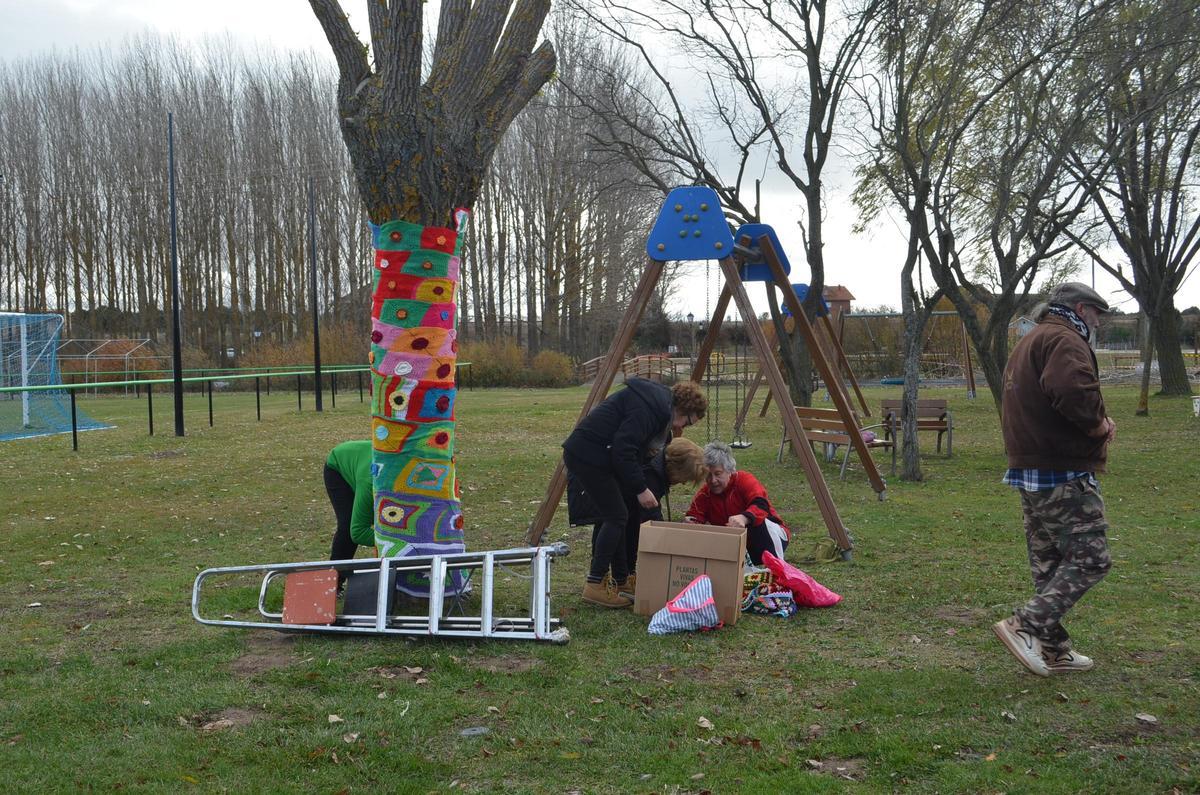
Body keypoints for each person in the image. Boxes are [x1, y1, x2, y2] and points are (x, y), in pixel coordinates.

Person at [994, 282, 1115, 677]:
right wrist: (1099, 425)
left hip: (1031, 468)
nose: (1097, 323)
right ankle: (1024, 625)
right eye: (1096, 314)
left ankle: (1054, 650)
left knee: (1049, 564)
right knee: (1091, 559)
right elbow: (1071, 390)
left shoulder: (1031, 340)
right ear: (1081, 309)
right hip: (1062, 470)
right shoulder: (1065, 339)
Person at [562, 378, 707, 608]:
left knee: (618, 515)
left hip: (599, 456)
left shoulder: (657, 408)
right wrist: (641, 489)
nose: (682, 428)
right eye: (687, 423)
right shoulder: (650, 409)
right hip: (587, 455)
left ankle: (621, 580)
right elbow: (624, 448)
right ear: (683, 410)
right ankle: (595, 583)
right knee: (616, 516)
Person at [569, 436, 708, 598]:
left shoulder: (655, 467)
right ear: (677, 467)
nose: (683, 483)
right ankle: (611, 579)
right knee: (619, 529)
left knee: (627, 527)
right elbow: (652, 518)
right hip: (597, 492)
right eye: (686, 478)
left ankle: (623, 577)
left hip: (607, 494)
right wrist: (673, 536)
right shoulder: (651, 476)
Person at [684, 441, 790, 565]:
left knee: (761, 521)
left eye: (718, 474)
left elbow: (761, 504)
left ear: (729, 470)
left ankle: (778, 567)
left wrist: (744, 518)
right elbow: (694, 516)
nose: (713, 480)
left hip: (769, 538)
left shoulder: (744, 480)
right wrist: (690, 523)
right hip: (737, 545)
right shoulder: (704, 495)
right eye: (708, 475)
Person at [324, 440, 375, 569]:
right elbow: (358, 532)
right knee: (347, 526)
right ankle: (336, 576)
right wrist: (397, 541)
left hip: (362, 462)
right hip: (338, 466)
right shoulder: (369, 483)